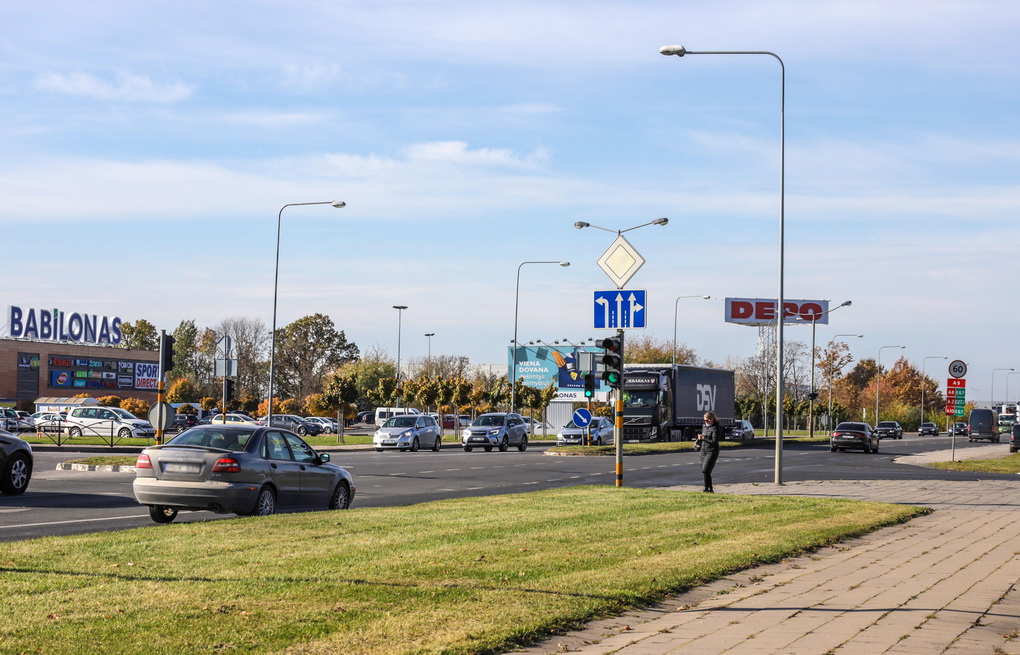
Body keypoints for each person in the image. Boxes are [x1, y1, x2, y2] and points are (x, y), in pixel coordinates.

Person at [696, 411, 721, 493]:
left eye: (707, 420)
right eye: (705, 420)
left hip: (712, 451)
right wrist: (699, 439)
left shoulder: (715, 428)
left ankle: (709, 488)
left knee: (706, 469)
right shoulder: (704, 426)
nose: (706, 422)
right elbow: (704, 439)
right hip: (704, 450)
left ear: (712, 419)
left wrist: (703, 438)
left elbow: (713, 441)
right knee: (704, 470)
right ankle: (707, 488)